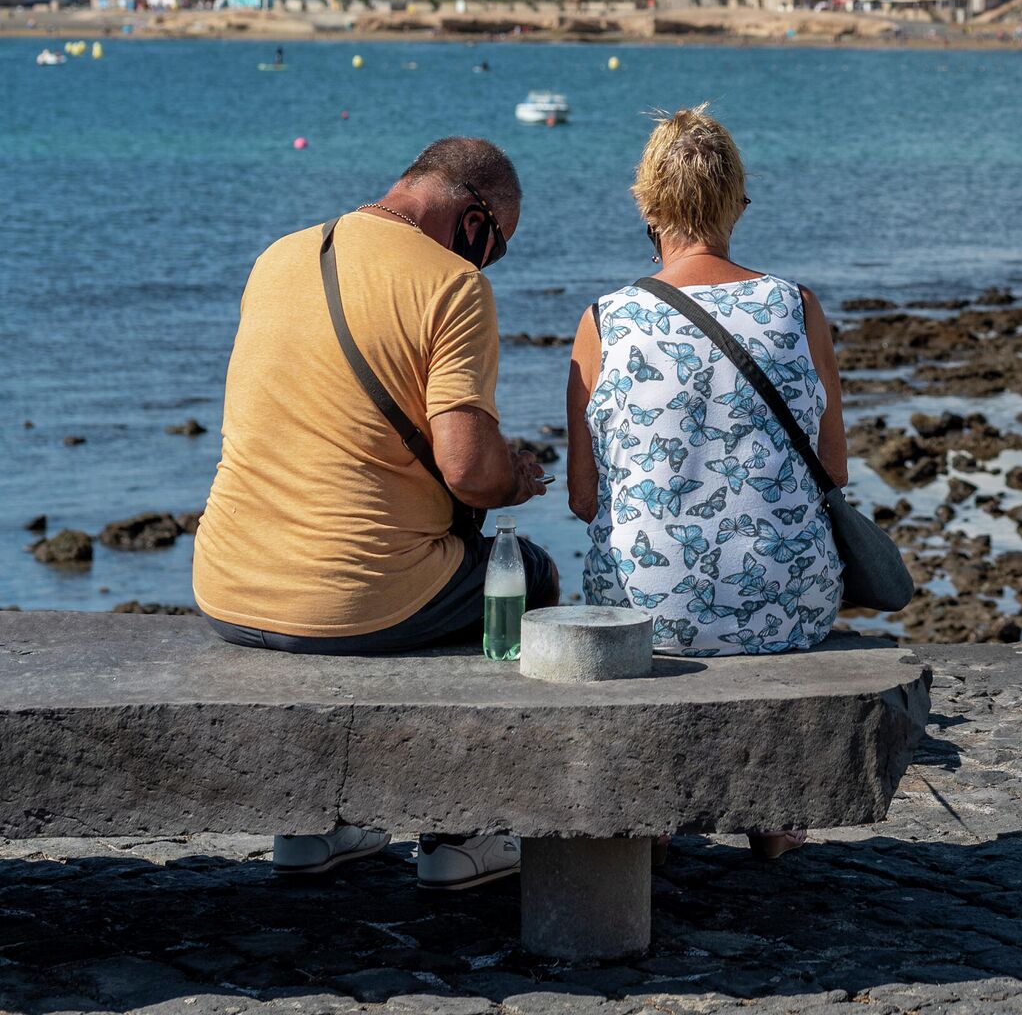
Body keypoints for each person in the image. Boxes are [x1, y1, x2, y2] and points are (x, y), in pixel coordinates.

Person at [195, 136, 558, 888]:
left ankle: (310, 828)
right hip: (354, 598)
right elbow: (467, 472)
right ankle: (463, 832)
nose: (487, 262)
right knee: (527, 581)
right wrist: (514, 480)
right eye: (494, 245)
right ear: (471, 219)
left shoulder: (279, 257)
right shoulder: (454, 287)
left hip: (225, 584)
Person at [564, 105, 847, 860]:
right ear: (739, 206)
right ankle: (771, 814)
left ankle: (650, 818)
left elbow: (584, 498)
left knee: (633, 588)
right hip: (788, 604)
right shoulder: (797, 306)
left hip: (646, 612)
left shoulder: (605, 321)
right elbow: (837, 470)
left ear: (645, 206)